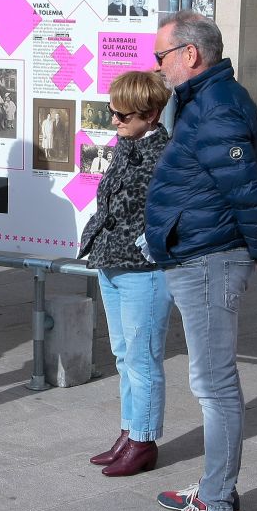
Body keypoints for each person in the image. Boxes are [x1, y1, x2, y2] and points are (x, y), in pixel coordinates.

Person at [144, 10, 257, 511]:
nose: (157, 67)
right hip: (200, 254)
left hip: (208, 260)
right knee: (211, 382)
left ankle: (217, 505)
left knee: (215, 385)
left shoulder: (216, 106)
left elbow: (248, 188)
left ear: (190, 54)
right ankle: (213, 486)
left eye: (162, 56)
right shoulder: (207, 100)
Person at [79, 71, 173, 477]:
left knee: (142, 357)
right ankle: (129, 431)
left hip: (144, 270)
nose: (114, 121)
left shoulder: (167, 154)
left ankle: (144, 441)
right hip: (110, 263)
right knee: (123, 355)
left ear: (151, 115)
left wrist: (147, 245)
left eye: (122, 115)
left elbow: (173, 213)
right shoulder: (127, 143)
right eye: (111, 112)